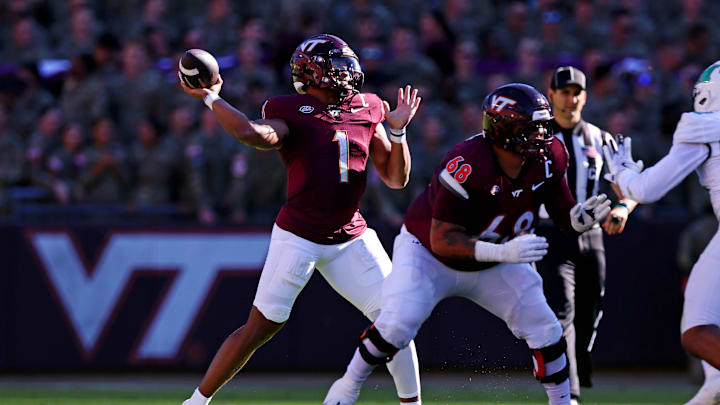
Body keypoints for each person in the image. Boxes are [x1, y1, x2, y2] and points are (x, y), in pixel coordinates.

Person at [324, 83, 611, 405]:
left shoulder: (550, 155)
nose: (541, 135)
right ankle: (347, 387)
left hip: (498, 255)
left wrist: (577, 219)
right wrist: (503, 252)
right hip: (429, 255)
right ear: (503, 130)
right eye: (530, 128)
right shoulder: (467, 163)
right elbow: (443, 239)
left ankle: (562, 403)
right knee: (397, 324)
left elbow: (561, 210)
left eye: (542, 127)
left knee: (545, 328)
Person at [179, 34, 423, 405]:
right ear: (312, 74)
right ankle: (196, 402)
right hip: (299, 236)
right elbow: (251, 133)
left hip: (350, 237)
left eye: (347, 64)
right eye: (337, 66)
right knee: (260, 328)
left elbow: (396, 178)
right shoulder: (290, 109)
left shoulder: (369, 106)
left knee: (397, 320)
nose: (348, 74)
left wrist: (398, 132)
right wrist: (212, 97)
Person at [603, 60, 720, 405]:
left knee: (697, 333)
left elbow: (647, 190)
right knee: (705, 339)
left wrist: (622, 172)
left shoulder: (705, 127)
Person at [538, 66, 638, 402]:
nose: (571, 99)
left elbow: (631, 186)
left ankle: (574, 366)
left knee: (590, 311)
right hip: (551, 233)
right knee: (561, 311)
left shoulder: (600, 138)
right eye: (564, 92)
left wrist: (623, 208)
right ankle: (571, 394)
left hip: (591, 237)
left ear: (585, 96)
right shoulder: (536, 138)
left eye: (576, 92)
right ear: (551, 96)